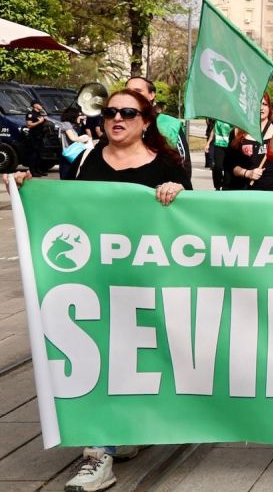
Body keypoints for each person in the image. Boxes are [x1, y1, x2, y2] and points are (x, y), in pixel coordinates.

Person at [7, 89, 189, 492]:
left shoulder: (166, 165)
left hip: (145, 283)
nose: (117, 119)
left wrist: (177, 196)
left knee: (134, 361)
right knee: (101, 362)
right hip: (93, 282)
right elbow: (63, 203)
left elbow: (189, 226)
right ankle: (98, 452)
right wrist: (29, 187)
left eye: (128, 112)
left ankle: (123, 429)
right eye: (110, 113)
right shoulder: (85, 159)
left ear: (145, 121)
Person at [125, 76, 191, 178]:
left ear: (151, 95)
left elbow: (183, 163)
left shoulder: (170, 124)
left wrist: (181, 188)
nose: (132, 95)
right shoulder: (116, 122)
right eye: (127, 91)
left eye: (138, 91)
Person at [225, 94, 273, 192]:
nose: (261, 108)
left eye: (264, 104)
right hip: (243, 190)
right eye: (256, 104)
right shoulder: (237, 130)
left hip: (271, 191)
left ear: (269, 107)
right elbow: (230, 164)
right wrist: (247, 173)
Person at [58, 106, 92, 180]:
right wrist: (84, 139)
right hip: (69, 153)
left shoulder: (72, 125)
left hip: (73, 152)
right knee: (67, 175)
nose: (80, 117)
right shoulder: (66, 124)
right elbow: (73, 138)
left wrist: (81, 124)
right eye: (78, 115)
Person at [21, 101, 50, 175]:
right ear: (35, 105)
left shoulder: (40, 113)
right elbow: (29, 125)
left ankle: (38, 169)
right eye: (40, 104)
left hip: (40, 136)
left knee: (39, 154)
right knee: (33, 154)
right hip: (34, 136)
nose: (42, 105)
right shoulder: (31, 114)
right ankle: (32, 171)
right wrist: (39, 122)